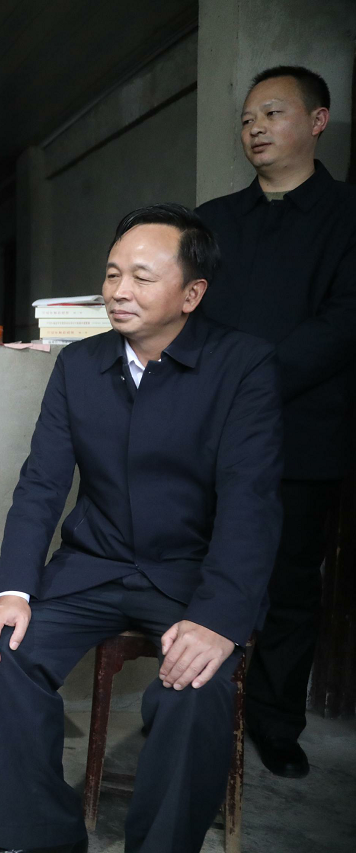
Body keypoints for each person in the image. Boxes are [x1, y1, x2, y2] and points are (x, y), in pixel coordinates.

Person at [0, 204, 283, 853]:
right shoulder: (80, 365)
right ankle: (39, 838)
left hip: (192, 578)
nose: (119, 290)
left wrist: (219, 618)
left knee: (193, 689)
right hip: (93, 566)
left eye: (141, 276)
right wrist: (14, 590)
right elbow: (42, 484)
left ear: (192, 293)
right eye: (112, 274)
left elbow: (252, 501)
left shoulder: (243, 365)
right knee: (4, 648)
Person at [196, 65, 356, 779]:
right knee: (202, 572)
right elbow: (189, 311)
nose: (255, 128)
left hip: (304, 433)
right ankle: (193, 710)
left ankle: (274, 721)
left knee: (290, 585)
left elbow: (344, 321)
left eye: (273, 113)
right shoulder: (215, 219)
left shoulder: (347, 214)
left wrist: (253, 380)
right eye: (247, 118)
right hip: (211, 431)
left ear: (317, 122)